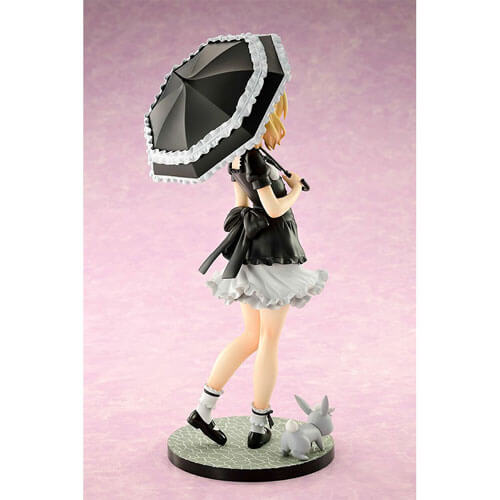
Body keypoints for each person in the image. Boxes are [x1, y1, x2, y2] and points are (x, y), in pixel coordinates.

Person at [187, 92, 328, 449]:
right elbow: (274, 209)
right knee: (268, 340)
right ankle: (259, 419)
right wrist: (294, 189)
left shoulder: (238, 158)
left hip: (252, 253)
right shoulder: (254, 158)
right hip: (274, 257)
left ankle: (203, 409)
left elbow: (241, 206)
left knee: (251, 337)